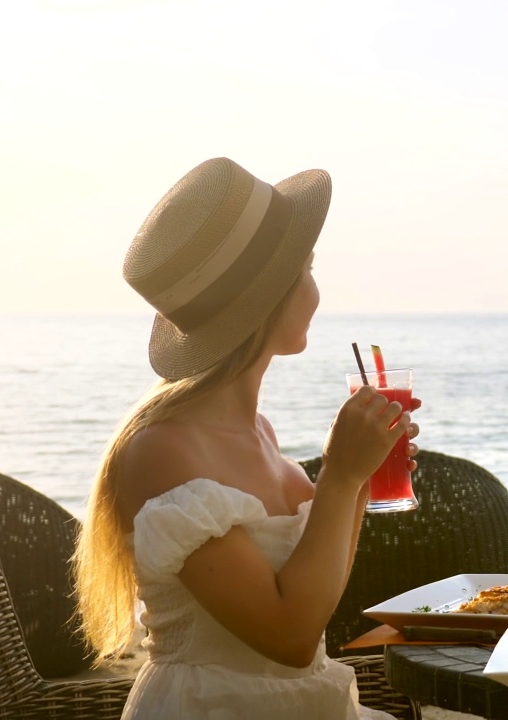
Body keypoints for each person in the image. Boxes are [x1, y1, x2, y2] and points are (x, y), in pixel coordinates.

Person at [72, 157, 419, 719]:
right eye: (307, 270)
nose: (317, 291)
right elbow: (289, 639)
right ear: (267, 298)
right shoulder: (162, 449)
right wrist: (343, 475)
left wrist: (363, 473)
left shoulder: (258, 430)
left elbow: (316, 595)